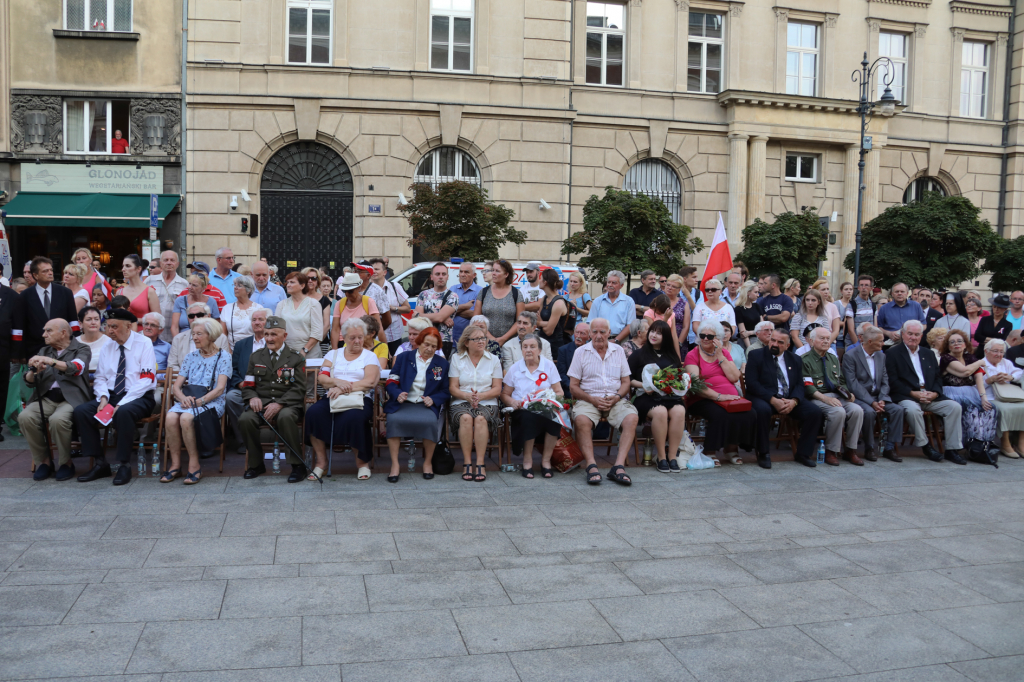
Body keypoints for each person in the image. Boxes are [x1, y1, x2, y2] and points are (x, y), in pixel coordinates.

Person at [72, 309, 158, 485]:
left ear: (128, 326)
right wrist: (103, 398)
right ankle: (100, 463)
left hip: (139, 396)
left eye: (114, 326)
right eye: (108, 326)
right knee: (81, 411)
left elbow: (146, 379)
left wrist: (122, 403)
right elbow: (101, 377)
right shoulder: (108, 345)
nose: (109, 330)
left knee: (123, 412)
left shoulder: (144, 343)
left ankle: (124, 465)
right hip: (111, 395)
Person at [305, 318, 382, 481]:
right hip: (332, 397)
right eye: (353, 337)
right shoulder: (333, 354)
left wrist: (342, 388)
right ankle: (321, 463)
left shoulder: (369, 356)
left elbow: (369, 382)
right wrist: (336, 382)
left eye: (360, 337)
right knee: (313, 413)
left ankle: (362, 464)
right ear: (344, 338)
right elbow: (322, 378)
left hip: (360, 398)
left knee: (354, 418)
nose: (357, 341)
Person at [568, 318, 639, 486]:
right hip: (589, 398)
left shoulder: (619, 351)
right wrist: (592, 399)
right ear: (589, 333)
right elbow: (573, 387)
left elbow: (626, 382)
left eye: (602, 332)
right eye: (594, 332)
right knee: (581, 420)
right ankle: (591, 465)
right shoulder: (580, 352)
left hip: (614, 399)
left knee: (631, 418)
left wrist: (617, 397)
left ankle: (618, 467)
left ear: (609, 333)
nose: (598, 336)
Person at [160, 319, 231, 485]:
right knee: (170, 416)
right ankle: (176, 465)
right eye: (193, 334)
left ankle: (194, 464)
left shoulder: (224, 357)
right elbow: (176, 386)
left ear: (211, 335)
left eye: (199, 334)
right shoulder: (190, 357)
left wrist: (200, 402)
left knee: (186, 417)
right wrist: (183, 398)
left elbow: (220, 389)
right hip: (189, 400)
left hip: (212, 402)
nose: (195, 337)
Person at [886, 319, 965, 464]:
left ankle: (952, 449)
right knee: (913, 410)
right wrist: (912, 393)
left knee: (954, 407)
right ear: (903, 334)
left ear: (921, 336)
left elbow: (937, 378)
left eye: (917, 334)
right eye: (910, 334)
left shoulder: (928, 353)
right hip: (907, 396)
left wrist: (934, 393)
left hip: (929, 396)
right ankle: (926, 445)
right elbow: (892, 381)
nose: (913, 337)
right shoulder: (893, 353)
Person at [21, 319, 91, 481]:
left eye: (48, 331)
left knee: (58, 420)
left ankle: (66, 463)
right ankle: (44, 462)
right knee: (25, 417)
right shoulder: (45, 350)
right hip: (46, 398)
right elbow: (30, 382)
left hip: (71, 399)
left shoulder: (81, 348)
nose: (43, 334)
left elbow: (76, 368)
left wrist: (50, 361)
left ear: (63, 333)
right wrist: (33, 371)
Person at [238, 316, 307, 480]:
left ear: (284, 336)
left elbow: (299, 387)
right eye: (266, 334)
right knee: (245, 419)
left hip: (288, 405)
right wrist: (252, 397)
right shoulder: (256, 357)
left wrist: (280, 403)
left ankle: (297, 466)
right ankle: (256, 465)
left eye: (274, 334)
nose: (269, 338)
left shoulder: (296, 358)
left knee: (286, 417)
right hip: (261, 404)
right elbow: (248, 384)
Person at [745, 328, 824, 468]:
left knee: (815, 412)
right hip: (764, 397)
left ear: (787, 345)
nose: (775, 344)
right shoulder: (756, 355)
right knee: (762, 411)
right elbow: (752, 384)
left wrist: (794, 401)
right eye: (772, 340)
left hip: (788, 399)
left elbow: (800, 384)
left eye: (780, 342)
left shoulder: (795, 359)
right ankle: (763, 453)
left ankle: (803, 454)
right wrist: (772, 400)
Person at [686, 320, 757, 466]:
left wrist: (719, 355)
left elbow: (734, 377)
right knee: (720, 414)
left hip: (728, 397)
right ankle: (710, 451)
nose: (705, 338)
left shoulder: (723, 353)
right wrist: (719, 396)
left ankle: (731, 449)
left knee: (749, 413)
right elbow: (695, 384)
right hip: (702, 398)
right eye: (702, 335)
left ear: (717, 338)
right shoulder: (692, 355)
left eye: (710, 336)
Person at [385, 327, 447, 481]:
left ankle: (427, 463)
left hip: (425, 405)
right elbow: (391, 381)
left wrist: (434, 399)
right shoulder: (404, 357)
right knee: (393, 420)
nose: (429, 349)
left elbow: (446, 391)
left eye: (434, 346)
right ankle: (395, 465)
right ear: (419, 342)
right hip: (403, 403)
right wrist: (397, 393)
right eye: (427, 344)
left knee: (431, 422)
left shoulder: (442, 364)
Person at [502, 334, 564, 479]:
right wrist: (512, 402)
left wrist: (550, 400)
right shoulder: (515, 368)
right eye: (525, 347)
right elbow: (505, 394)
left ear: (539, 350)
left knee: (554, 417)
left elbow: (559, 391)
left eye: (532, 346)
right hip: (522, 409)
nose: (528, 350)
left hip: (545, 408)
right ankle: (527, 461)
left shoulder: (548, 365)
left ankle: (546, 461)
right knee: (528, 417)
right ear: (521, 350)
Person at [629, 319, 688, 471]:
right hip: (645, 396)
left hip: (669, 396)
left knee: (679, 411)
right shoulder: (638, 354)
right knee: (660, 411)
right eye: (652, 331)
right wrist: (644, 385)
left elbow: (677, 377)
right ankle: (661, 457)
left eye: (659, 333)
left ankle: (672, 456)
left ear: (666, 337)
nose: (654, 335)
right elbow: (627, 380)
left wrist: (678, 385)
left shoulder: (672, 356)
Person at [801, 327, 864, 466]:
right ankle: (831, 451)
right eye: (821, 338)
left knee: (857, 410)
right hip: (817, 397)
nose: (825, 341)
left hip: (836, 396)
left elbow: (840, 381)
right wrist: (825, 399)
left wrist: (848, 394)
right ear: (811, 341)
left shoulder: (833, 358)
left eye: (828, 339)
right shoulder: (804, 360)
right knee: (838, 411)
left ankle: (850, 450)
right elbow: (808, 386)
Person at [842, 325, 905, 462]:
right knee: (869, 412)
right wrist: (871, 402)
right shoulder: (850, 356)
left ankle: (889, 447)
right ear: (869, 342)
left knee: (897, 410)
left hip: (878, 396)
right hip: (860, 397)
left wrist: (882, 398)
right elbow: (853, 384)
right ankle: (869, 447)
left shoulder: (881, 356)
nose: (883, 343)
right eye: (881, 341)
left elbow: (885, 380)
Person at [449, 325, 503, 481]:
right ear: (466, 342)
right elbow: (453, 388)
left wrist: (481, 396)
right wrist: (467, 396)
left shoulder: (493, 360)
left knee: (480, 419)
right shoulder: (456, 358)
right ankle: (467, 462)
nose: (481, 341)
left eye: (483, 338)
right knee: (465, 418)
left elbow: (497, 388)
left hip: (487, 401)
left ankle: (480, 463)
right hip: (461, 399)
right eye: (476, 339)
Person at [938, 329, 997, 451]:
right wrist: (981, 361)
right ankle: (968, 444)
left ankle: (983, 442)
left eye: (960, 341)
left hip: (971, 392)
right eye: (952, 342)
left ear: (965, 344)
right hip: (952, 393)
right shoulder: (946, 358)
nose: (956, 343)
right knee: (970, 409)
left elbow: (978, 377)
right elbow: (965, 372)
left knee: (990, 408)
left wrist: (983, 397)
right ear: (948, 346)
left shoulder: (970, 358)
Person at [15, 257, 79, 361]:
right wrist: (19, 353)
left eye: (51, 270)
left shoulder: (65, 293)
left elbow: (73, 322)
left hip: (62, 349)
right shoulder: (25, 296)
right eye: (45, 271)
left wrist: (75, 345)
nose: (50, 273)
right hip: (35, 350)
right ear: (35, 275)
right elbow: (20, 325)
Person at [226, 309, 268, 454]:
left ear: (268, 322)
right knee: (231, 397)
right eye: (254, 320)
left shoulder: (274, 342)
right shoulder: (241, 345)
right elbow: (233, 369)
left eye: (261, 319)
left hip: (269, 389)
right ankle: (245, 440)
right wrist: (240, 384)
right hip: (245, 388)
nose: (257, 322)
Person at [981, 338, 1024, 458]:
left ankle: (1021, 443)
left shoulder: (1006, 362)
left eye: (1001, 351)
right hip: (990, 397)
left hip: (1008, 396)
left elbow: (1019, 372)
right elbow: (975, 386)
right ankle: (1005, 443)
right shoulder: (981, 363)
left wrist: (1010, 377)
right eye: (995, 351)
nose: (999, 354)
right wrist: (990, 380)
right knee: (1004, 410)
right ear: (986, 351)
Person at [475, 259, 525, 346]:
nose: (493, 273)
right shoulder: (483, 292)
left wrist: (503, 338)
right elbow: (476, 319)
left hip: (510, 344)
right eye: (493, 270)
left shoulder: (516, 293)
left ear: (506, 274)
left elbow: (520, 321)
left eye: (497, 271)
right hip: (485, 342)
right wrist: (490, 337)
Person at [275, 271, 324, 359]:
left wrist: (304, 351)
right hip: (286, 353)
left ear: (302, 285)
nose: (288, 285)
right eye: (287, 282)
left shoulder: (313, 304)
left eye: (292, 282)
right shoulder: (281, 304)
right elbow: (276, 329)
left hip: (309, 354)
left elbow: (317, 333)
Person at [168, 302, 230, 371]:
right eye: (191, 316)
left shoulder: (221, 338)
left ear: (208, 316)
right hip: (183, 379)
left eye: (199, 315)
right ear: (188, 318)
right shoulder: (178, 338)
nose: (195, 318)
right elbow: (172, 365)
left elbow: (224, 366)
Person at [415, 262, 459, 357]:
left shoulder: (453, 296)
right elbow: (417, 320)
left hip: (443, 341)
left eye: (443, 274)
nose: (440, 277)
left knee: (439, 370)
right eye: (437, 274)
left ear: (447, 276)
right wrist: (441, 317)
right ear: (431, 277)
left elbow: (439, 318)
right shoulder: (423, 295)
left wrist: (420, 315)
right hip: (424, 339)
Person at [144, 250, 189, 342]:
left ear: (177, 263)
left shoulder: (185, 284)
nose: (169, 263)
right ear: (160, 263)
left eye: (172, 260)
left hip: (174, 335)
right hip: (152, 335)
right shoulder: (149, 281)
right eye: (166, 260)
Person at [370, 257, 410, 355]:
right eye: (372, 269)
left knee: (394, 364)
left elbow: (407, 308)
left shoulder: (395, 286)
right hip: (374, 336)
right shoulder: (367, 290)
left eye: (377, 269)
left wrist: (393, 308)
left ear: (384, 272)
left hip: (394, 335)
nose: (374, 272)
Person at [331, 272, 381, 349]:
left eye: (350, 291)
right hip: (343, 344)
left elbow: (378, 327)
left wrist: (385, 348)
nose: (347, 294)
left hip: (363, 343)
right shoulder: (339, 304)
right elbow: (335, 329)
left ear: (359, 288)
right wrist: (334, 351)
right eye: (344, 291)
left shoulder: (368, 302)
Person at [587, 270, 636, 344]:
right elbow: (590, 322)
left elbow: (630, 325)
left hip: (621, 341)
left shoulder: (628, 301)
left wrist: (616, 340)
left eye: (614, 283)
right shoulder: (598, 301)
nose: (610, 285)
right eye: (609, 282)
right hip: (599, 340)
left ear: (621, 285)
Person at [219, 275, 265, 351]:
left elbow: (262, 333)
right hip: (232, 350)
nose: (235, 287)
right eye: (235, 285)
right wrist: (229, 351)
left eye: (239, 286)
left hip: (254, 350)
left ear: (248, 290)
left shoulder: (258, 308)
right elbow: (223, 334)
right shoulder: (227, 308)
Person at [351, 260, 390, 343]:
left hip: (370, 340)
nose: (355, 273)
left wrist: (373, 332)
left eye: (359, 271)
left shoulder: (377, 291)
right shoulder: (349, 290)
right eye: (354, 270)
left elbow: (387, 319)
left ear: (368, 275)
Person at [116, 254, 160, 326]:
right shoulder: (119, 292)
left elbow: (157, 318)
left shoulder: (149, 291)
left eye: (128, 266)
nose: (123, 269)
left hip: (143, 333)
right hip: (123, 334)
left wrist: (133, 319)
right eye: (123, 266)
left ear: (138, 269)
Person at [536, 268, 568, 358]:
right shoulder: (544, 298)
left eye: (540, 278)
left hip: (554, 347)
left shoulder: (558, 303)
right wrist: (547, 323)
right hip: (541, 343)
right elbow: (538, 325)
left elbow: (549, 331)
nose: (539, 280)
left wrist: (540, 322)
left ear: (545, 282)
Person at [451, 261, 481, 346]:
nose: (463, 274)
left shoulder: (480, 291)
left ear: (474, 275)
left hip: (470, 341)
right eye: (461, 271)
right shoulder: (453, 289)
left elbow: (475, 314)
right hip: (451, 340)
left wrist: (452, 311)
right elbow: (443, 311)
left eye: (466, 272)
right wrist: (465, 306)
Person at [974, 294, 1014, 358]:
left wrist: (985, 339)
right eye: (994, 307)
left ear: (1005, 309)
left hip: (997, 354)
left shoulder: (1008, 324)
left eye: (1000, 307)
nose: (996, 309)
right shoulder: (985, 319)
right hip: (981, 352)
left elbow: (1003, 341)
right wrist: (995, 340)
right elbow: (977, 336)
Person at [556, 321, 590, 396]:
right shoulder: (563, 350)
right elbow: (561, 374)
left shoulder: (592, 351)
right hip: (570, 387)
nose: (578, 336)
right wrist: (573, 387)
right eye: (577, 332)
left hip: (589, 388)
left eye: (582, 333)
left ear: (589, 337)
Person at [663, 274, 691, 354]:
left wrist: (678, 344)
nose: (669, 287)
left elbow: (686, 327)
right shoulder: (658, 300)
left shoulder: (684, 304)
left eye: (673, 286)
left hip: (679, 342)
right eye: (668, 285)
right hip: (660, 339)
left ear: (679, 290)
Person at [77, 306, 111, 373]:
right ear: (80, 324)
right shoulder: (75, 342)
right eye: (88, 319)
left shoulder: (109, 342)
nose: (93, 322)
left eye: (96, 319)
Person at [734, 280, 764, 349]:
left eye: (758, 292)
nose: (758, 295)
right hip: (745, 343)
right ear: (748, 292)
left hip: (759, 340)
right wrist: (749, 349)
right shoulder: (738, 309)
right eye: (755, 292)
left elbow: (763, 328)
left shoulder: (756, 306)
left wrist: (750, 332)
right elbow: (743, 333)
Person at [833, 282, 857, 359]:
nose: (849, 291)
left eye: (850, 289)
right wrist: (847, 324)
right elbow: (834, 321)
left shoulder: (854, 304)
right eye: (846, 289)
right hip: (840, 337)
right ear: (841, 291)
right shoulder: (836, 304)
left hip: (851, 337)